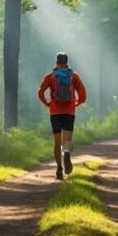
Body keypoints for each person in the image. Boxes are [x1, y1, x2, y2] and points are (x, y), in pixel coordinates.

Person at [38, 52, 87, 180]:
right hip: (69, 112)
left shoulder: (50, 76)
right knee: (67, 140)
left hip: (55, 111)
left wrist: (47, 103)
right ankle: (66, 153)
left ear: (56, 62)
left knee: (57, 141)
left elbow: (40, 92)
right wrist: (76, 103)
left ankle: (59, 169)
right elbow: (83, 95)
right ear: (67, 62)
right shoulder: (74, 76)